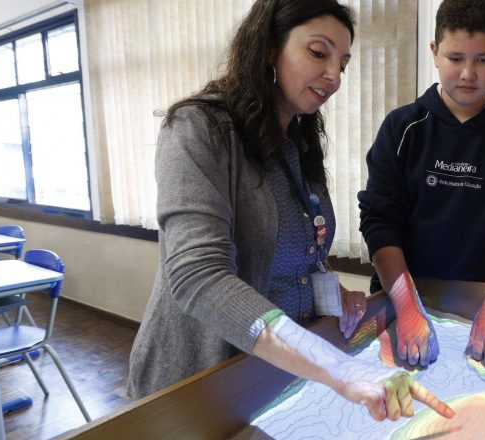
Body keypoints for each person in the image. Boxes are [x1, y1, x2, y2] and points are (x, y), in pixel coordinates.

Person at [128, 0, 453, 422]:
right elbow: (199, 277)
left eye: (343, 63)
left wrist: (329, 294)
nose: (334, 76)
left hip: (270, 379)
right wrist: (339, 369)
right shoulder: (197, 129)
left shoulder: (297, 142)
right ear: (268, 48)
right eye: (318, 53)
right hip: (199, 381)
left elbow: (300, 255)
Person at [358, 0, 485, 369]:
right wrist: (405, 303)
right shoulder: (402, 128)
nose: (468, 73)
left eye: (483, 59)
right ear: (434, 53)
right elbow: (379, 221)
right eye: (455, 58)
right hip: (403, 294)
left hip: (484, 304)